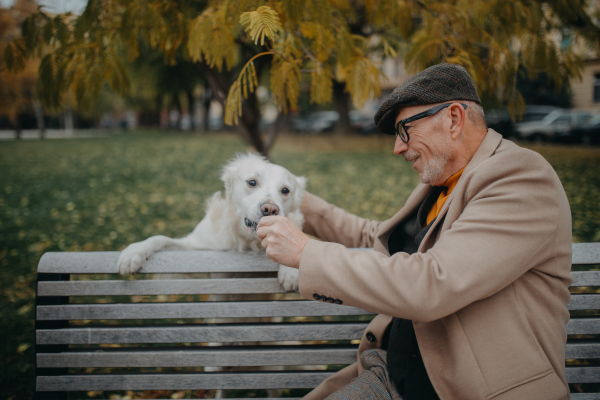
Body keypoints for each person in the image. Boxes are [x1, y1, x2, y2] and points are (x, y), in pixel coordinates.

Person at [256, 63, 572, 400]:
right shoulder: (441, 185)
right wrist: (296, 199)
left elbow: (434, 282)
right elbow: (374, 238)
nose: (398, 148)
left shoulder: (521, 177)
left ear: (453, 119)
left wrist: (306, 253)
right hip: (394, 375)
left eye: (405, 129)